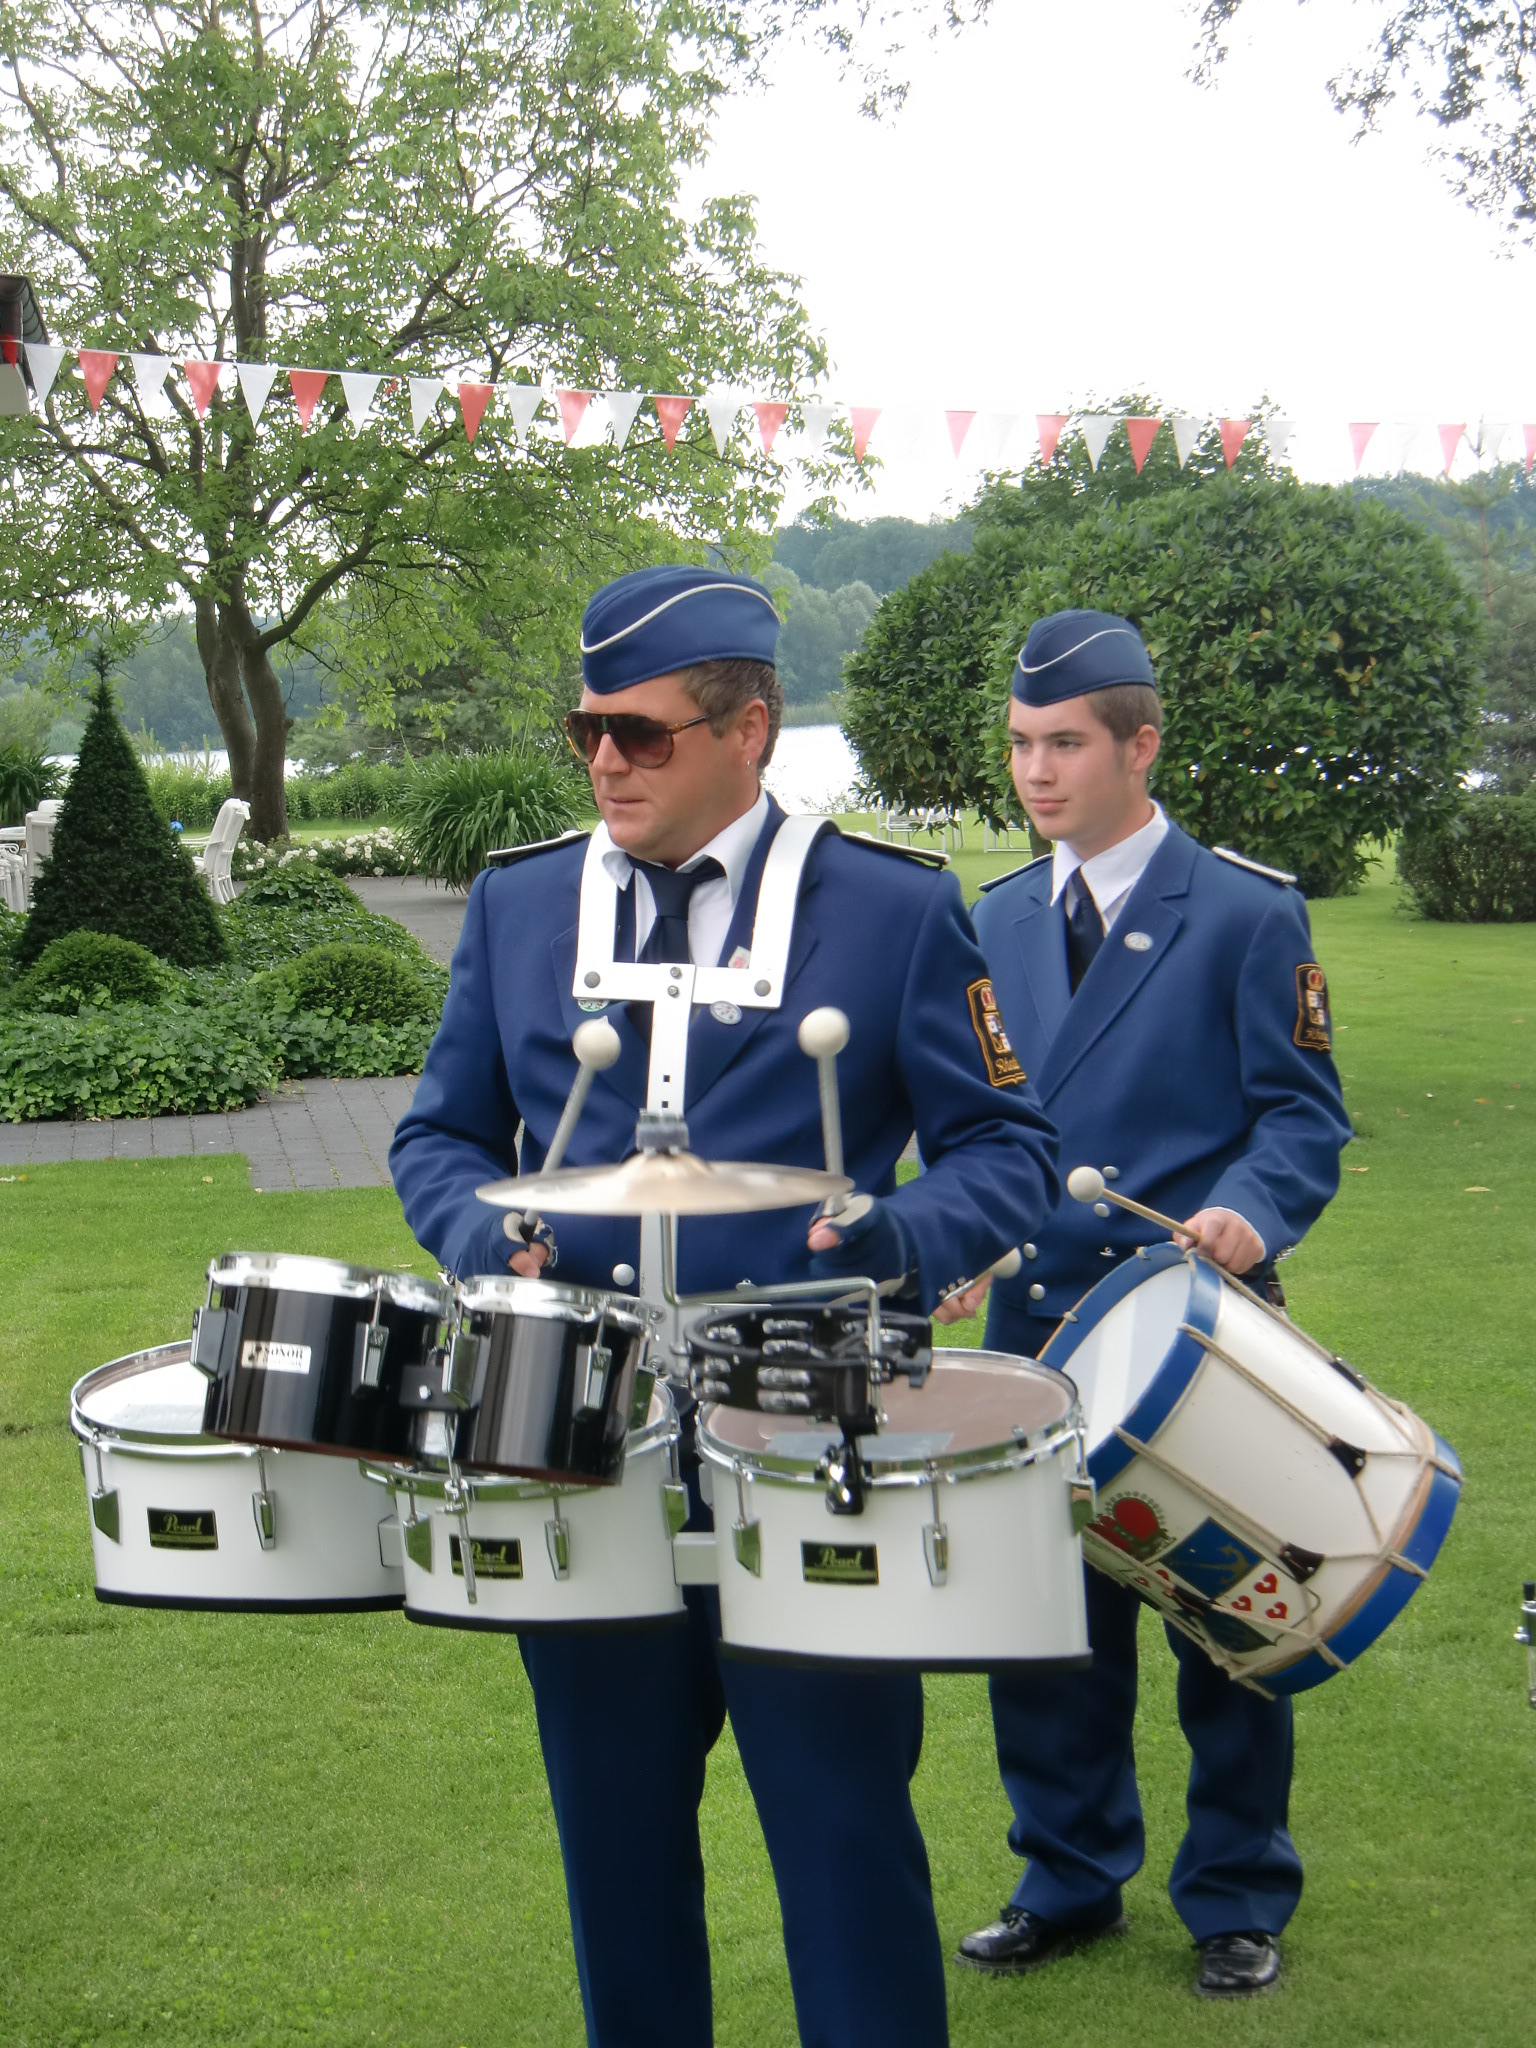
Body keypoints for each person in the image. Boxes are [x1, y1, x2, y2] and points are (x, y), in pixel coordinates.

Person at [389, 563, 1061, 2048]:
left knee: (844, 1842)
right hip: (577, 1441)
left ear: (749, 728)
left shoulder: (888, 908)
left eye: (640, 732)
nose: (606, 762)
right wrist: (480, 1231)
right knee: (615, 1852)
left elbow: (1009, 1150)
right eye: (587, 731)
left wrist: (897, 1237)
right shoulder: (518, 902)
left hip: (817, 1437)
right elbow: (438, 1135)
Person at [947, 608, 1351, 2001]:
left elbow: (1302, 1118)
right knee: (1044, 1634)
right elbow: (981, 1126)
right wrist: (956, 1234)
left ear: (1141, 745)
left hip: (1200, 1326)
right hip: (1036, 1334)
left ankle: (1236, 1894)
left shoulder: (1242, 910)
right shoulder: (997, 916)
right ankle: (1067, 1879)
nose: (1035, 771)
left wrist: (1253, 1209)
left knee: (1229, 1620)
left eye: (1064, 743)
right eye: (1021, 743)